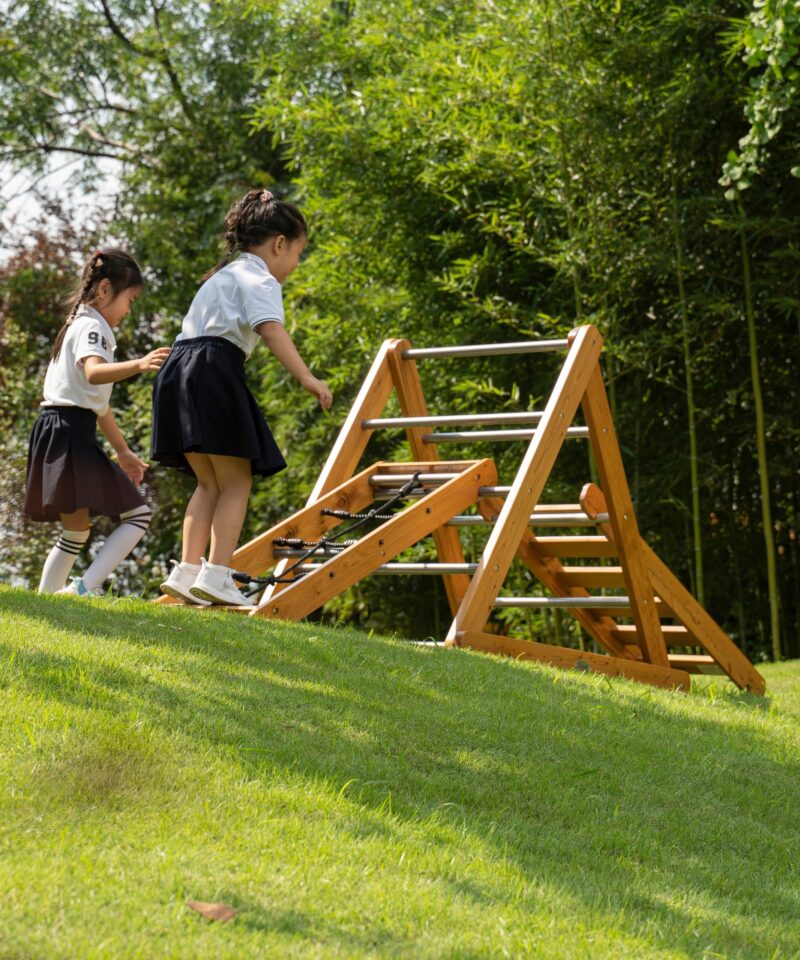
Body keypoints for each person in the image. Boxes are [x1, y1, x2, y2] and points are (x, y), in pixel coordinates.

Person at [151, 188, 332, 607]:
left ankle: (188, 571)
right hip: (214, 368)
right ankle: (216, 574)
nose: (295, 264)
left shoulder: (221, 276)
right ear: (279, 244)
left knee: (209, 482)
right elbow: (271, 329)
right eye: (298, 253)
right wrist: (307, 378)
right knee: (237, 481)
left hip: (177, 371)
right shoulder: (260, 278)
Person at [24, 248, 171, 596]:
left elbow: (98, 407)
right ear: (105, 289)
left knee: (75, 532)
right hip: (69, 431)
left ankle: (44, 602)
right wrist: (138, 364)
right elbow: (94, 374)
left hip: (56, 429)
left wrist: (123, 451)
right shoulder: (94, 327)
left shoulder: (77, 323)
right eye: (130, 300)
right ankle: (85, 589)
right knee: (138, 515)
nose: (129, 310)